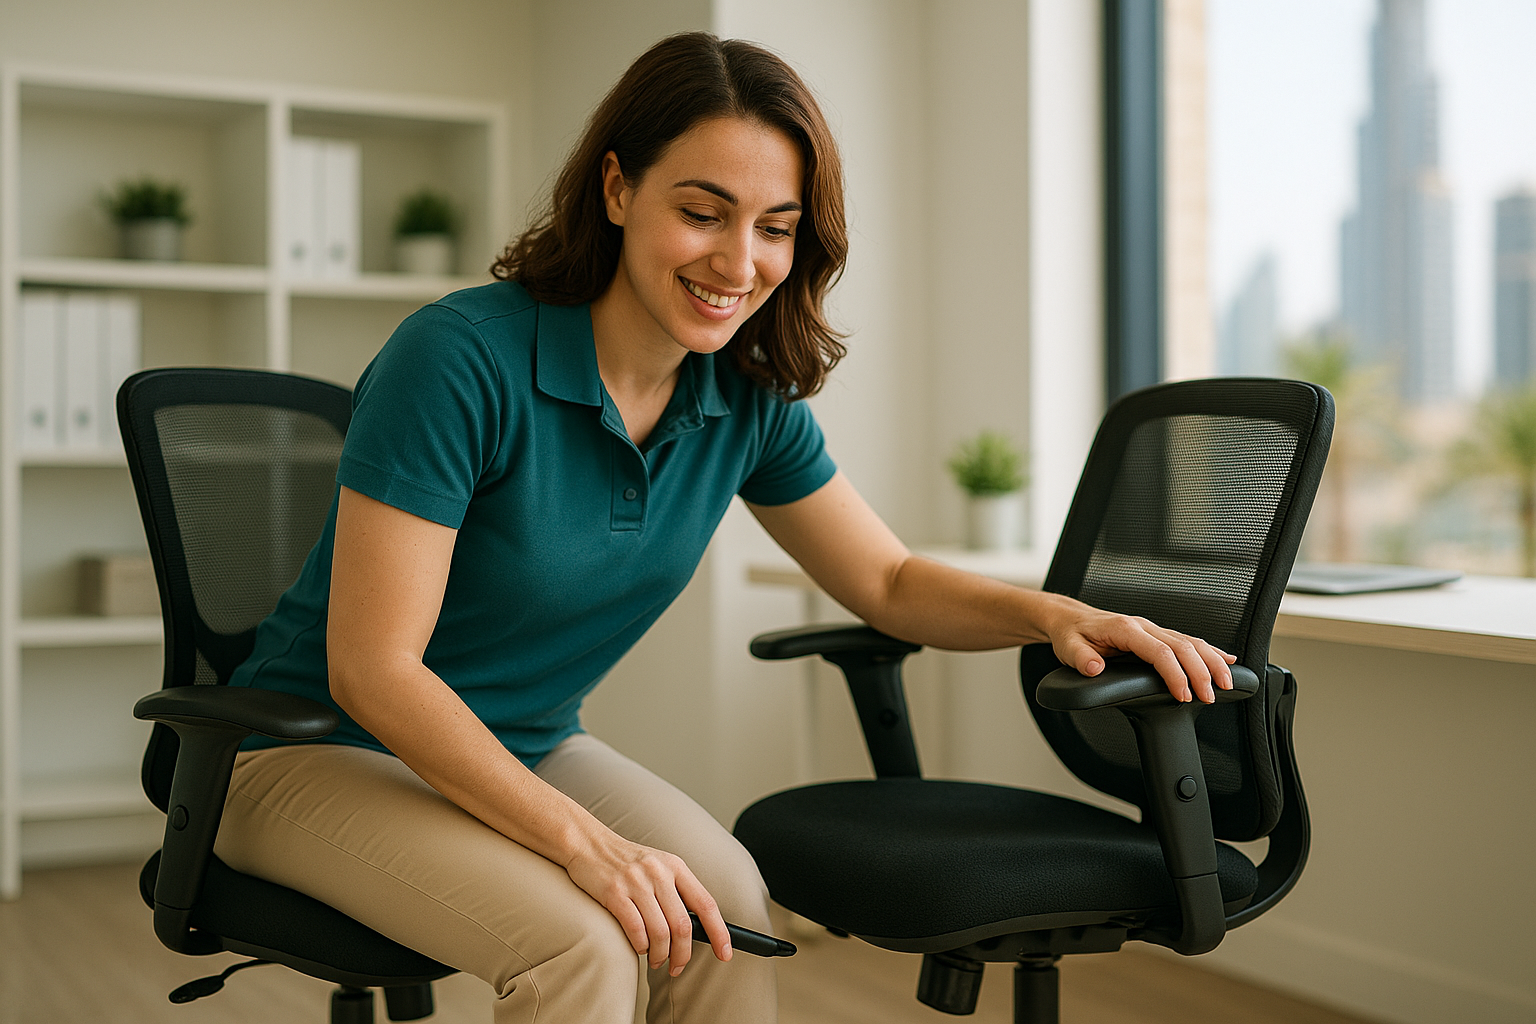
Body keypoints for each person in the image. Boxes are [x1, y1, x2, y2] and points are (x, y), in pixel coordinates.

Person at [216, 31, 1236, 1024]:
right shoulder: (460, 360)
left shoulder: (745, 396)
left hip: (524, 743)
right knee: (580, 941)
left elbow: (884, 582)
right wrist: (584, 843)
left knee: (727, 911)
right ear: (617, 190)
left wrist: (1055, 614)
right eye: (703, 212)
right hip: (303, 752)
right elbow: (373, 669)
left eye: (776, 226)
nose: (739, 261)